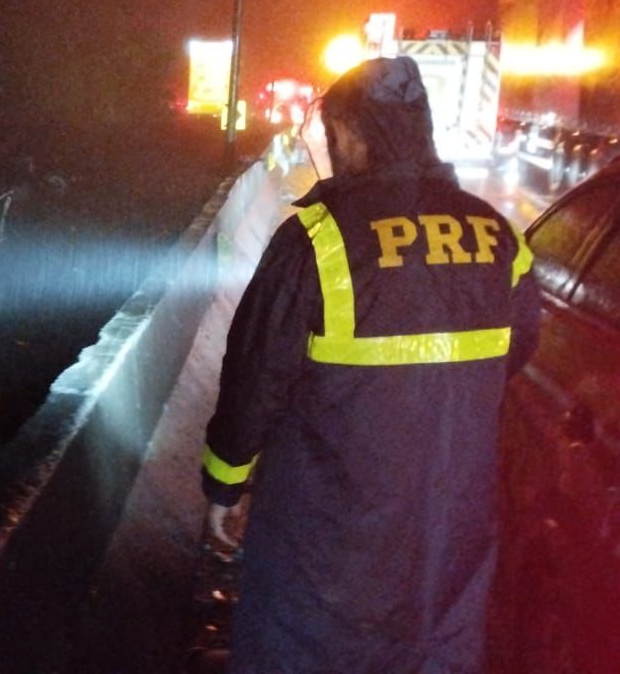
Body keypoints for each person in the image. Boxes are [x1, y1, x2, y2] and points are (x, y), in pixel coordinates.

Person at [197, 57, 540, 673]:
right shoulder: (500, 238)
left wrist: (225, 485)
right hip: (449, 540)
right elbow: (516, 354)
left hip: (326, 547)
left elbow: (254, 378)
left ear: (352, 133)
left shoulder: (319, 240)